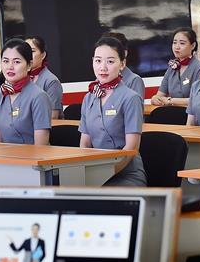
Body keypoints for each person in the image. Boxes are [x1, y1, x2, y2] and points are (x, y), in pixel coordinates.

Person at [79, 37, 147, 186]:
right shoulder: (88, 98)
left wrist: (104, 173)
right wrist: (83, 170)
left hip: (125, 173)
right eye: (98, 61)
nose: (102, 67)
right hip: (94, 170)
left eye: (110, 61)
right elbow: (85, 142)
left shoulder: (131, 98)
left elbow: (131, 147)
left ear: (122, 64)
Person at [0, 38, 52, 145]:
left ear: (29, 65)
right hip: (4, 159)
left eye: (16, 62)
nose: (10, 67)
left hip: (30, 159)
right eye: (5, 61)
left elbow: (41, 147)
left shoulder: (39, 97)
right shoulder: (1, 95)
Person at [150, 27, 200, 107]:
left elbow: (197, 99)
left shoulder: (199, 68)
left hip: (192, 115)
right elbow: (160, 95)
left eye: (182, 43)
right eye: (174, 43)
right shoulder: (172, 67)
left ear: (193, 46)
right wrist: (155, 98)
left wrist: (170, 101)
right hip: (174, 113)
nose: (177, 47)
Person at [25, 35, 63, 119]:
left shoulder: (51, 81)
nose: (28, 55)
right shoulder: (21, 78)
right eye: (25, 52)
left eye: (32, 51)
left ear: (43, 55)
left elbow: (53, 117)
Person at [104, 31, 145, 99]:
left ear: (125, 53)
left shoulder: (134, 81)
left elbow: (135, 108)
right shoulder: (98, 80)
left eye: (113, 51)